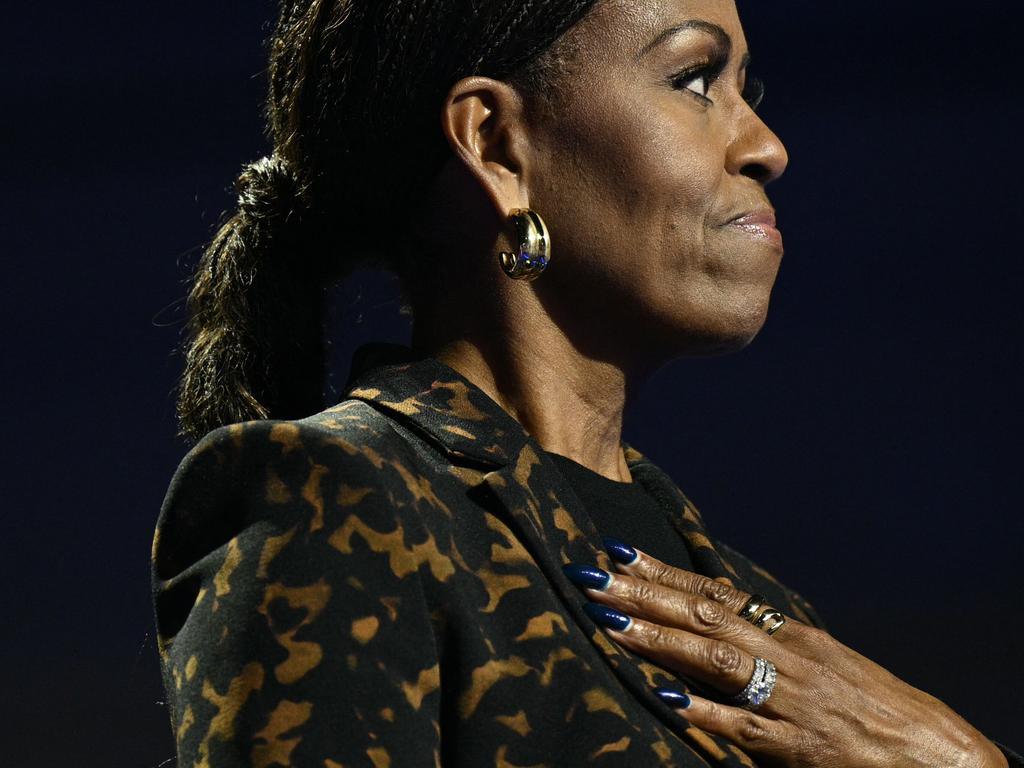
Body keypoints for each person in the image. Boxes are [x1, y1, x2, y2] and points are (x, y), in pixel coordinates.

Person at [151, 1, 1021, 765]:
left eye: (747, 91)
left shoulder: (769, 621)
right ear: (497, 144)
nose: (766, 146)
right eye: (694, 79)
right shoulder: (341, 503)